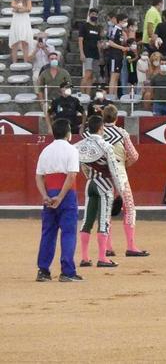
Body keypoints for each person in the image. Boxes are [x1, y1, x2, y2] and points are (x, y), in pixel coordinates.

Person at [82, 105, 147, 257]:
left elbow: (84, 159)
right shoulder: (121, 133)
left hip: (98, 177)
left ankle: (108, 248)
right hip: (119, 175)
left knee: (105, 212)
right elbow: (134, 155)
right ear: (117, 118)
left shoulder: (88, 135)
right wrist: (123, 165)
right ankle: (131, 246)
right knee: (129, 209)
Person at [35, 119, 82, 282]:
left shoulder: (45, 151)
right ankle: (67, 272)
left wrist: (45, 196)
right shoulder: (72, 150)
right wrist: (60, 197)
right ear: (68, 133)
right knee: (68, 232)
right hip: (66, 195)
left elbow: (39, 176)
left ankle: (43, 271)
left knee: (48, 232)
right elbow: (71, 176)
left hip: (49, 193)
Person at [77, 115, 125, 268]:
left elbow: (82, 166)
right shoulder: (106, 146)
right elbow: (114, 170)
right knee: (103, 221)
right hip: (104, 185)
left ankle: (84, 258)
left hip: (90, 183)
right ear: (100, 128)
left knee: (87, 221)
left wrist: (89, 177)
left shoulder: (80, 145)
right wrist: (120, 190)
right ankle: (102, 257)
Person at [78, 8, 101, 96]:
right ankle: (82, 94)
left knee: (92, 76)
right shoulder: (84, 26)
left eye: (95, 14)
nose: (94, 16)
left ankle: (87, 95)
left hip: (95, 54)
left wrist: (100, 55)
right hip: (87, 53)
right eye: (92, 14)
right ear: (89, 14)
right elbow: (80, 40)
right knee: (87, 74)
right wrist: (81, 53)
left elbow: (98, 42)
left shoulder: (97, 28)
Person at [106, 13, 129, 97]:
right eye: (124, 21)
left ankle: (115, 96)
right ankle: (111, 95)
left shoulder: (121, 31)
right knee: (113, 76)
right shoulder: (115, 29)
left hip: (119, 56)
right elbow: (110, 42)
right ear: (120, 21)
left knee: (117, 76)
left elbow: (122, 42)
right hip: (114, 56)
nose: (126, 23)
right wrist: (121, 48)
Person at [10, 0, 33, 64]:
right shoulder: (14, 0)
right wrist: (21, 8)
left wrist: (20, 8)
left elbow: (29, 9)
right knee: (14, 43)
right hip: (16, 22)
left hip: (25, 22)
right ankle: (14, 62)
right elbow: (13, 6)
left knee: (25, 42)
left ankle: (26, 62)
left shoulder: (28, 1)